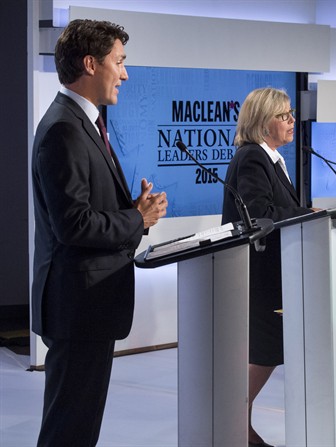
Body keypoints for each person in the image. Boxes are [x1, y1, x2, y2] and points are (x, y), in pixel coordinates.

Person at [31, 19, 168, 446]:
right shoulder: (64, 129)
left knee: (79, 425)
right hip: (78, 306)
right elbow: (72, 225)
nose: (124, 74)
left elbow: (84, 211)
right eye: (119, 62)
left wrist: (131, 211)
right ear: (91, 64)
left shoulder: (81, 121)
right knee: (69, 430)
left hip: (88, 304)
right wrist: (137, 220)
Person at [221, 87, 317, 447]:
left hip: (276, 268)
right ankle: (233, 423)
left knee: (268, 351)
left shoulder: (270, 158)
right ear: (263, 123)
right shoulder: (252, 158)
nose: (292, 121)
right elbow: (259, 215)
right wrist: (306, 214)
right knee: (264, 351)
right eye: (284, 116)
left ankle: (236, 424)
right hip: (260, 272)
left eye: (292, 114)